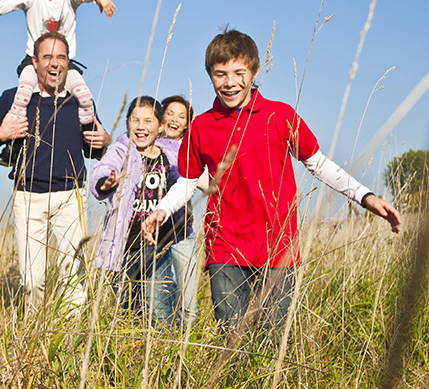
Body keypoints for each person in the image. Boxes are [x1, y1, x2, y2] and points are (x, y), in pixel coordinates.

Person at [143, 29, 402, 336]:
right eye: (220, 74)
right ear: (210, 75)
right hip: (225, 246)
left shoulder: (279, 116)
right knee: (231, 336)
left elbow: (317, 164)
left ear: (253, 71)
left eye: (239, 72)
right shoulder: (201, 126)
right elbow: (186, 182)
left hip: (278, 245)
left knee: (273, 337)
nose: (229, 82)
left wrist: (366, 196)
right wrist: (161, 209)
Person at [0, 32, 110, 314]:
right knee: (33, 280)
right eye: (47, 56)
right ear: (35, 62)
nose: (54, 63)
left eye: (61, 57)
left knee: (73, 276)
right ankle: (35, 338)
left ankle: (70, 342)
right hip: (28, 196)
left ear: (68, 63)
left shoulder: (79, 101)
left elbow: (93, 149)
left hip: (71, 195)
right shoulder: (13, 99)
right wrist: (1, 133)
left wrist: (103, 142)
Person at [0, 0, 116, 166]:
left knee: (84, 96)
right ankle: (12, 147)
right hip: (33, 62)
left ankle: (90, 141)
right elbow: (7, 3)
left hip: (67, 64)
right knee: (23, 95)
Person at [90, 96, 192, 327]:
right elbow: (103, 169)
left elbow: (183, 181)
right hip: (126, 243)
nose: (141, 126)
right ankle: (128, 347)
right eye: (135, 120)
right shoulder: (120, 150)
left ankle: (163, 346)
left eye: (148, 120)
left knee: (157, 301)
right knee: (126, 304)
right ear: (127, 123)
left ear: (161, 126)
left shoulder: (171, 153)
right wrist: (106, 182)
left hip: (159, 243)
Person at [159, 95, 199, 329]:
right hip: (153, 235)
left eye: (181, 117)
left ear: (187, 125)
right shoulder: (147, 147)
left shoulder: (191, 150)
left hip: (183, 231)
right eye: (170, 113)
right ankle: (163, 343)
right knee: (160, 296)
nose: (175, 119)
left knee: (187, 297)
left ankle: (186, 345)